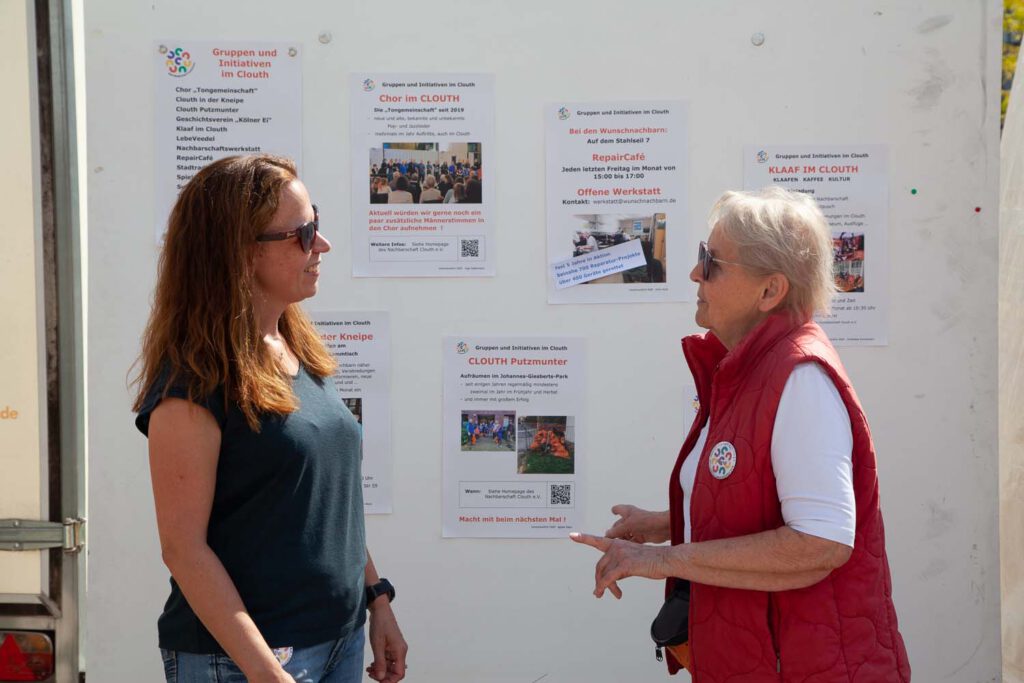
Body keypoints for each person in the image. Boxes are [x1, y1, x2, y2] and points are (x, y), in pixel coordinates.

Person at [571, 187, 910, 681]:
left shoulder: (799, 378)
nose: (693, 274)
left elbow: (821, 542)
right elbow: (759, 492)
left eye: (710, 262)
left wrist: (660, 559)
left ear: (769, 291)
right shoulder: (750, 368)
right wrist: (673, 518)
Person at [132, 154, 408, 683]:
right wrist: (266, 673)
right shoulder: (192, 384)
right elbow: (183, 550)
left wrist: (377, 600)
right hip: (247, 661)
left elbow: (328, 503)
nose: (321, 246)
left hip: (338, 641)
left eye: (317, 224)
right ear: (238, 252)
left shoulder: (293, 348)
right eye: (302, 234)